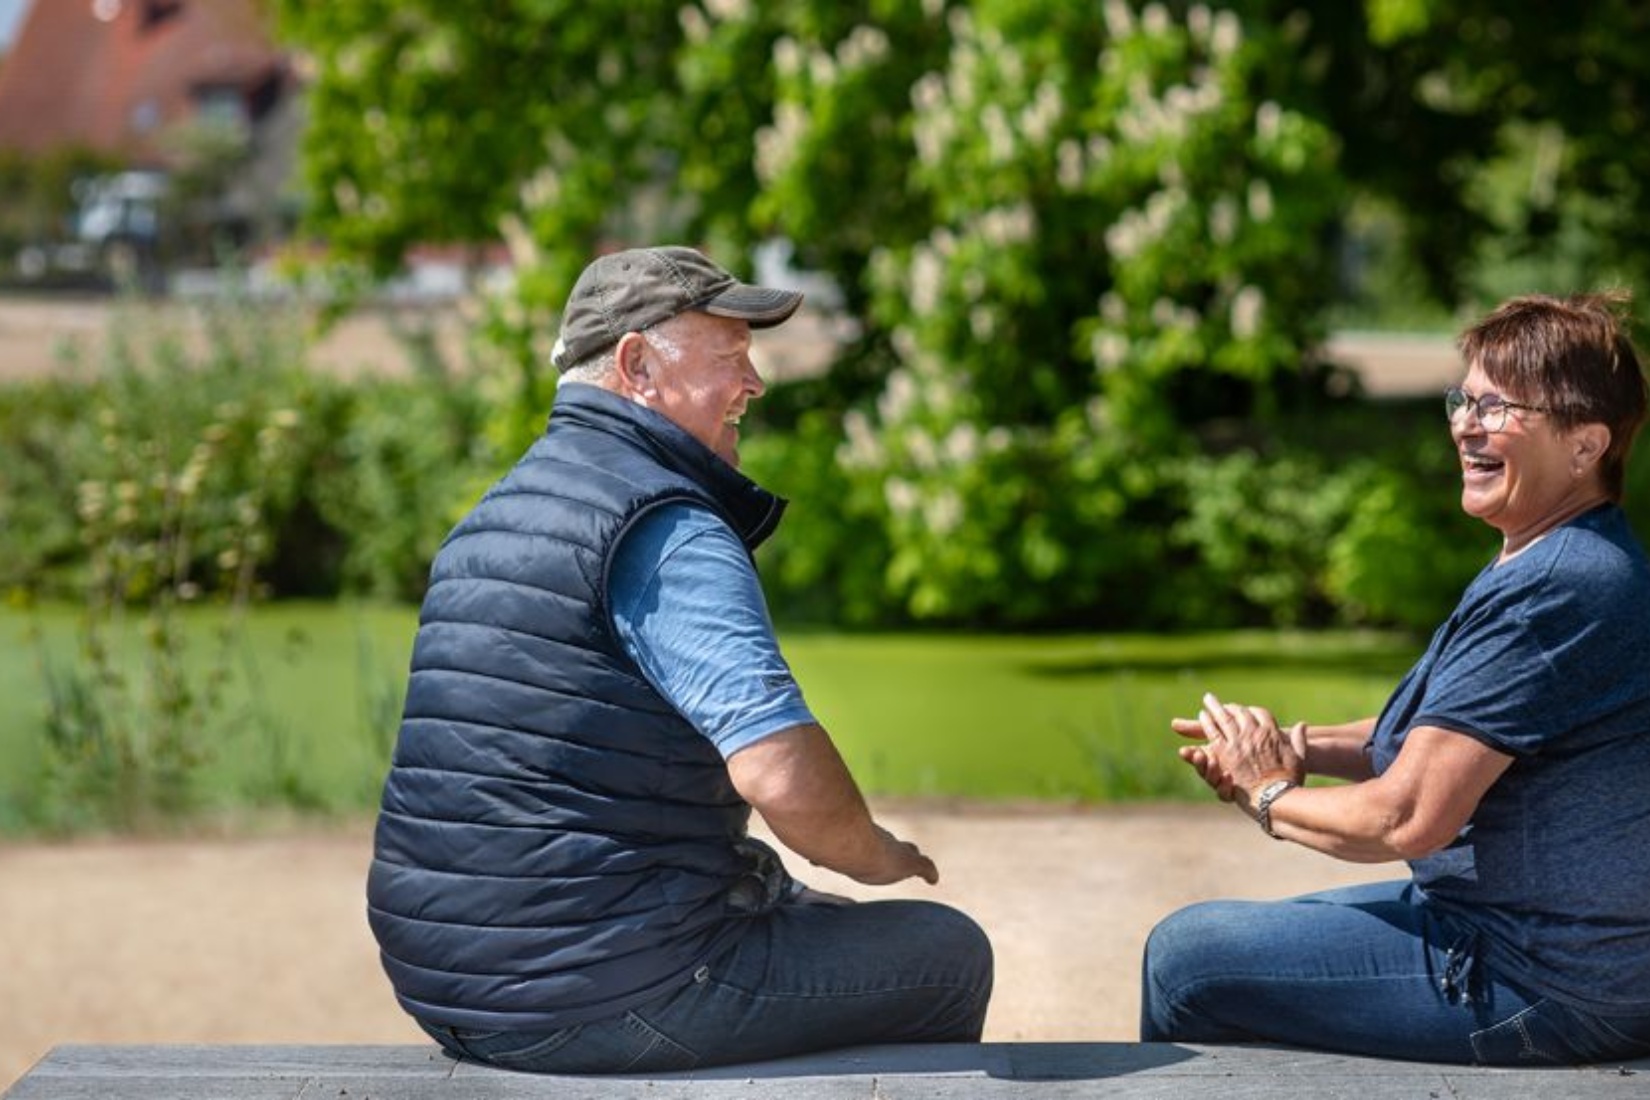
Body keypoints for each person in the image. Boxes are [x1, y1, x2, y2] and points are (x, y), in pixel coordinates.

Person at [366, 245, 993, 1074]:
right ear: (637, 365)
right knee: (944, 954)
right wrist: (882, 855)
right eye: (730, 355)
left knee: (803, 916)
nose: (755, 383)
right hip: (597, 994)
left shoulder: (491, 517)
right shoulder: (667, 528)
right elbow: (781, 779)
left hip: (448, 985)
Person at [1140, 291, 1650, 1066]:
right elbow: (1429, 739)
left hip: (1541, 982)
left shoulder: (1562, 587)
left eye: (1498, 407)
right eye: (1463, 399)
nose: (1465, 424)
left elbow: (1408, 818)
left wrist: (1269, 794)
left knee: (1188, 958)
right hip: (1522, 939)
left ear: (1586, 445)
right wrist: (1292, 745)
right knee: (1231, 939)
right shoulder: (1564, 554)